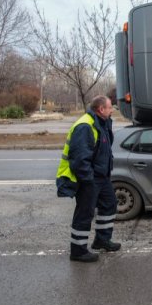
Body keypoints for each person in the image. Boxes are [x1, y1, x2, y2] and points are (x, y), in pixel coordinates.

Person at [56, 95, 121, 262]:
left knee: (109, 204)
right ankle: (78, 251)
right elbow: (79, 159)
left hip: (102, 176)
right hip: (89, 178)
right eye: (109, 107)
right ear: (101, 109)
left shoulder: (102, 122)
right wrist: (89, 179)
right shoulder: (85, 126)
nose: (112, 110)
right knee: (85, 213)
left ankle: (102, 240)